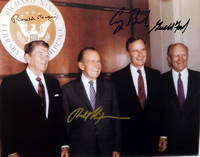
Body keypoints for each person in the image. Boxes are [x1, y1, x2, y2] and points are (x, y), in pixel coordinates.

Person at [0, 40, 69, 157]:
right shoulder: (11, 84)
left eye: (47, 55)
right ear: (28, 57)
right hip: (23, 151)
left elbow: (59, 116)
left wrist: (64, 145)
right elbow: (4, 120)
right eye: (40, 54)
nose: (45, 58)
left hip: (52, 151)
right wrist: (11, 151)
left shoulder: (53, 83)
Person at [62, 47, 121, 157]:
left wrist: (117, 146)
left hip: (107, 149)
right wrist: (65, 145)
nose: (97, 65)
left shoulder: (110, 87)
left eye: (98, 61)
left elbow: (116, 118)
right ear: (81, 65)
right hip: (80, 150)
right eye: (92, 61)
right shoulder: (68, 90)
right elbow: (66, 122)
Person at [111, 37, 161, 155]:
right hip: (128, 142)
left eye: (143, 50)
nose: (140, 54)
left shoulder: (156, 75)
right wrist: (116, 145)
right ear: (128, 53)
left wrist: (162, 134)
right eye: (135, 51)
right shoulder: (116, 78)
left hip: (152, 141)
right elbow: (114, 114)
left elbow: (161, 108)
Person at [159, 43, 200, 155]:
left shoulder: (198, 78)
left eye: (184, 55)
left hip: (195, 140)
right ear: (169, 58)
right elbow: (159, 112)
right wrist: (162, 135)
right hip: (171, 141)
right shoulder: (160, 81)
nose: (180, 59)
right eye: (176, 55)